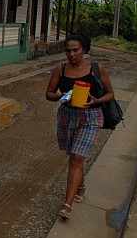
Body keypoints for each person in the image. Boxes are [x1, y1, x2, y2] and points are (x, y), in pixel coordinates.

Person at [45, 34, 115, 220]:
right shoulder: (60, 69)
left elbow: (110, 94)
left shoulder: (96, 69)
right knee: (75, 155)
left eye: (76, 50)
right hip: (67, 116)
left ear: (84, 50)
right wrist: (63, 97)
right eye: (68, 50)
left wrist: (96, 101)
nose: (71, 54)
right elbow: (49, 94)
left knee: (76, 158)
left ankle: (67, 206)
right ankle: (80, 187)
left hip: (91, 116)